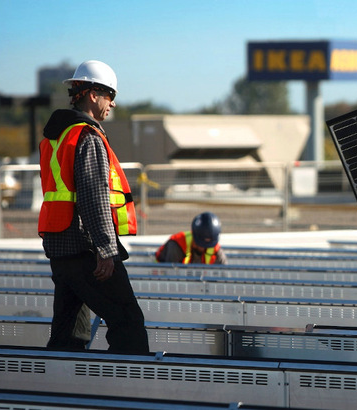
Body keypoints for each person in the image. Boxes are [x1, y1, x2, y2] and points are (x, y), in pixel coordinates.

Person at [38, 60, 149, 354]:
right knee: (128, 321)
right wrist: (106, 250)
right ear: (92, 94)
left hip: (60, 247)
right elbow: (93, 197)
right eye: (110, 95)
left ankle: (62, 390)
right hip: (86, 248)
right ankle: (127, 391)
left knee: (69, 332)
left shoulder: (56, 137)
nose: (112, 103)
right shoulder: (87, 136)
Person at [155, 212, 228, 265]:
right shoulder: (177, 245)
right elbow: (170, 275)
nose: (203, 248)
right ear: (194, 235)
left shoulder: (215, 249)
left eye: (207, 245)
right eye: (201, 244)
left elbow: (224, 273)